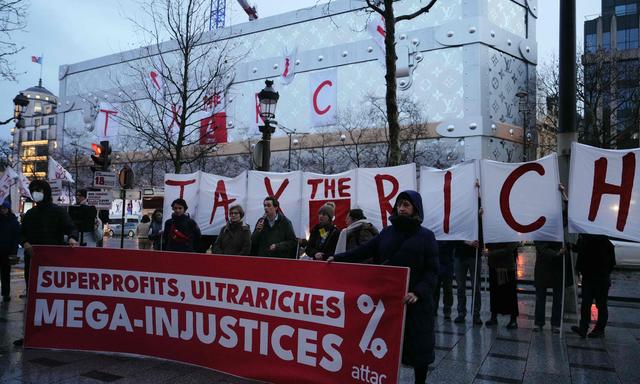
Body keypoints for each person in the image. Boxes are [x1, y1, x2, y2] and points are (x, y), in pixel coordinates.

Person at [329, 191, 439, 384]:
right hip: (388, 301)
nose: (401, 208)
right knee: (385, 347)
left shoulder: (427, 237)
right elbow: (363, 251)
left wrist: (418, 292)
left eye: (406, 204)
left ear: (415, 208)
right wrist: (337, 258)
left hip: (416, 303)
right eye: (399, 204)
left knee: (419, 350)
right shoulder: (387, 233)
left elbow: (432, 271)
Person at [17, 180, 78, 346]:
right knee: (33, 298)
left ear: (46, 192)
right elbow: (21, 234)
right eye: (33, 191)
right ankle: (31, 333)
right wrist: (25, 243)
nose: (35, 194)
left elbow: (71, 228)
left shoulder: (58, 212)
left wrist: (72, 238)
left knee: (52, 299)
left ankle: (54, 332)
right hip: (34, 262)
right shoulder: (30, 214)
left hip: (53, 264)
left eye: (38, 190)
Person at [571, 234, 616, 338]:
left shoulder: (587, 240)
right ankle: (595, 329)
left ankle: (589, 328)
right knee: (597, 305)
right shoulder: (605, 242)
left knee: (591, 304)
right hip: (598, 278)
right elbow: (612, 263)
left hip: (594, 278)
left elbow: (581, 252)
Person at [484, 242, 519, 329]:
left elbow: (510, 247)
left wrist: (491, 253)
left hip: (505, 267)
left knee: (509, 293)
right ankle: (494, 316)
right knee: (494, 292)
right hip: (494, 265)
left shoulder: (510, 229)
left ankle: (513, 319)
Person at [533, 241, 565, 333]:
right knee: (540, 298)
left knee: (558, 299)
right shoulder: (541, 230)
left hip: (558, 267)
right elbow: (541, 247)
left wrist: (565, 248)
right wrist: (557, 253)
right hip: (543, 267)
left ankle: (555, 324)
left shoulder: (560, 230)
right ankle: (539, 323)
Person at [0, 200, 19, 302]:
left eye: (4, 208)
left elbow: (15, 239)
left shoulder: (13, 222)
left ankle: (6, 293)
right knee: (5, 273)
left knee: (5, 274)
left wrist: (13, 252)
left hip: (7, 252)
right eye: (1, 208)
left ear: (8, 209)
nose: (2, 210)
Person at [434, 241, 454, 320]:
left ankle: (447, 311)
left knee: (448, 290)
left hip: (448, 265)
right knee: (435, 290)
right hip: (437, 264)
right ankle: (433, 309)